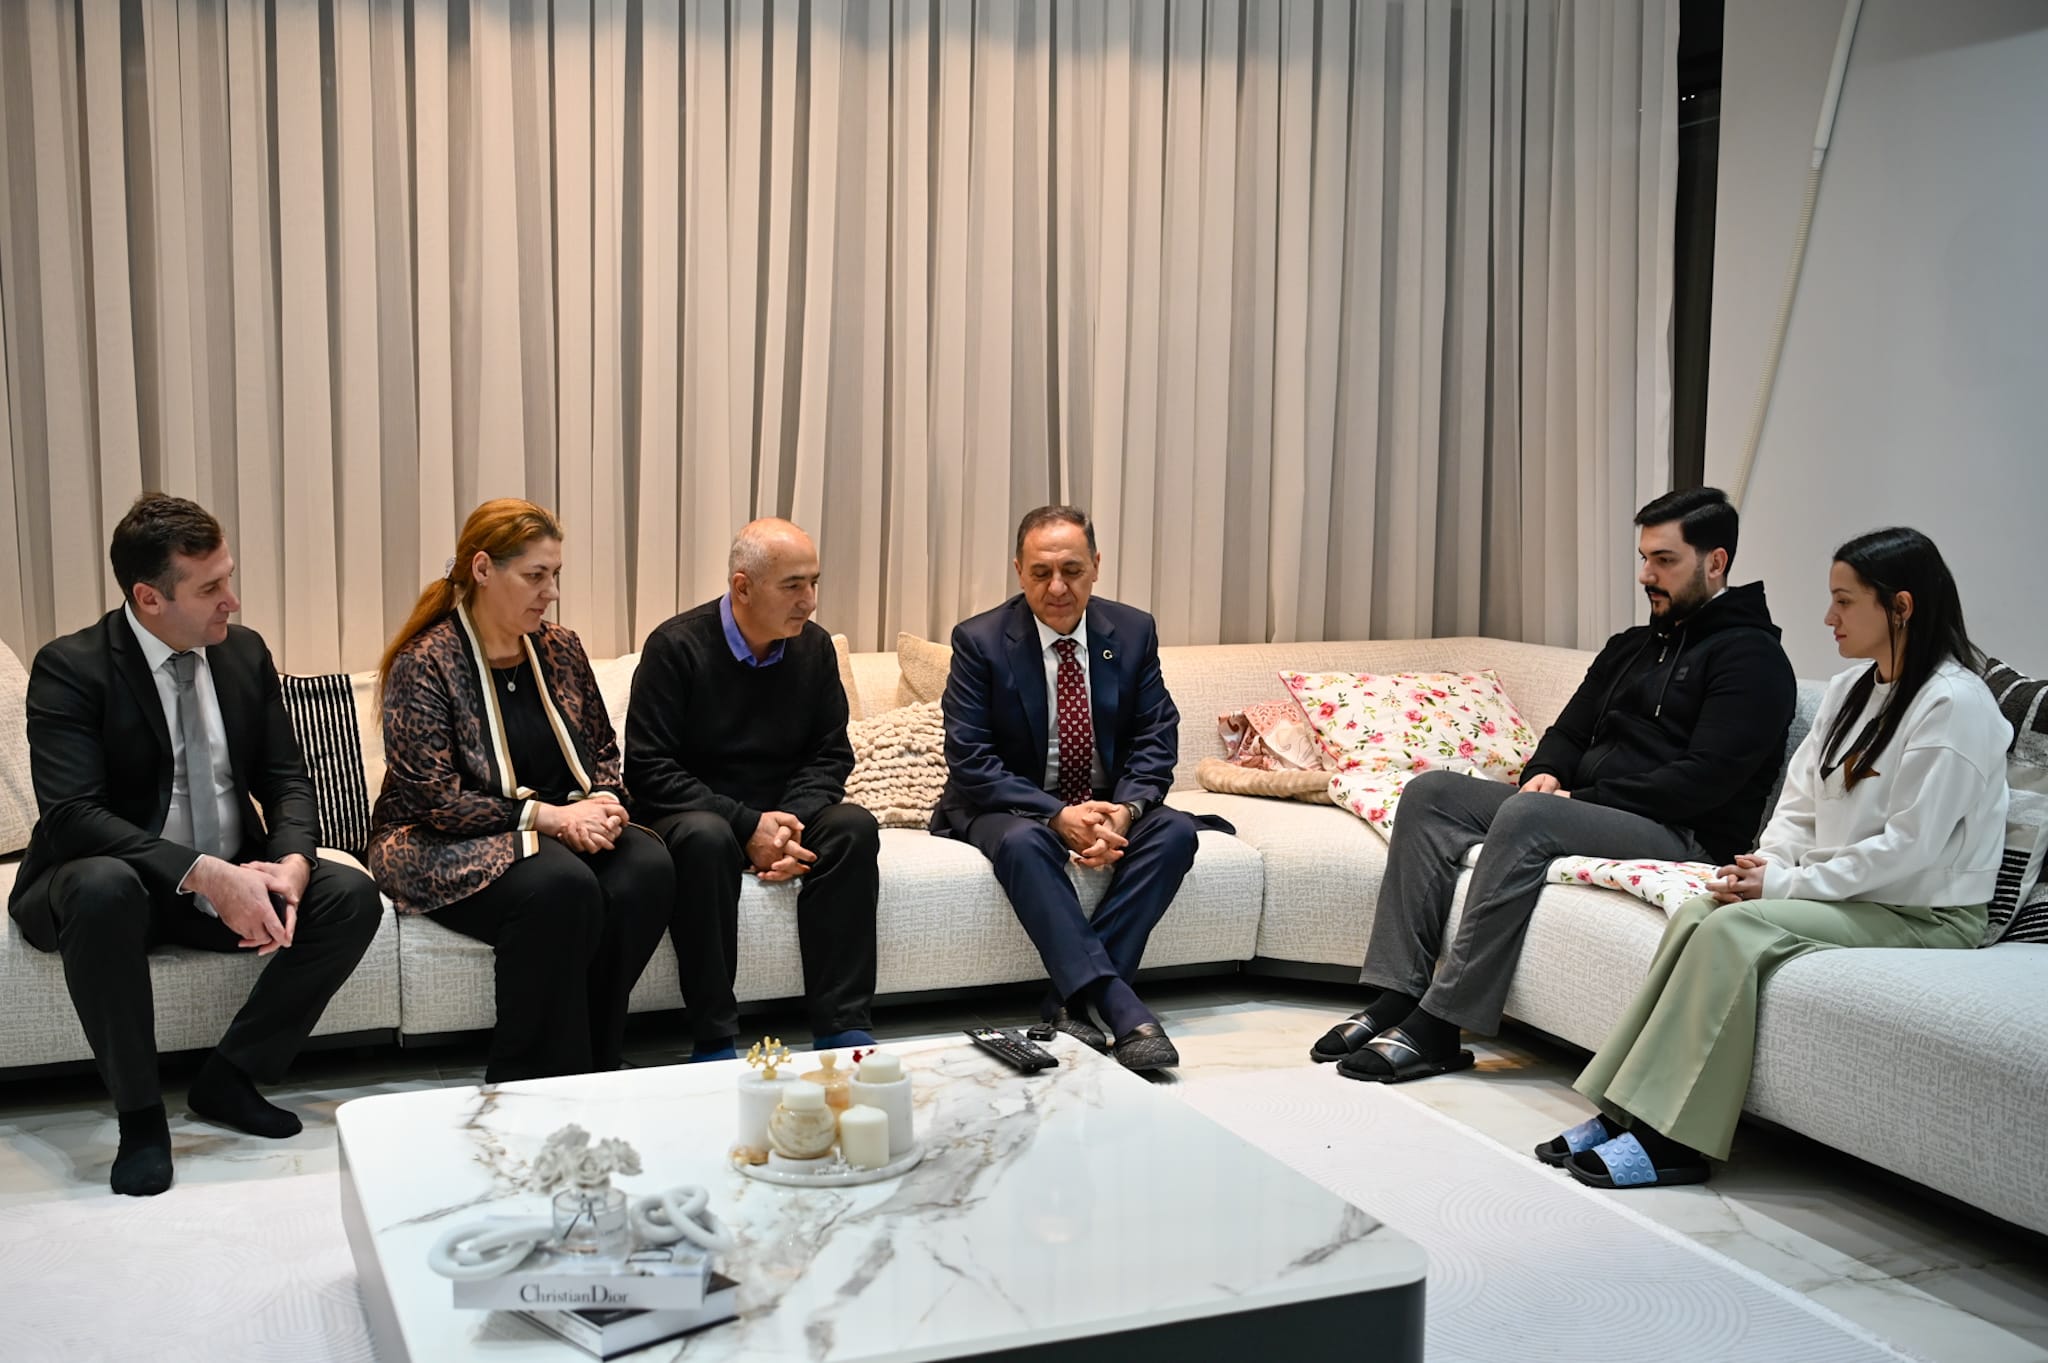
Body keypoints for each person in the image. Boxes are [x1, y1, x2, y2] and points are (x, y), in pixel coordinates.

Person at [1540, 527, 2010, 1187]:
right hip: (1853, 893)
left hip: (1926, 912)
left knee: (1731, 931)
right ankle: (1624, 1110)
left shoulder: (1955, 704)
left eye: (1844, 601)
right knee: (1699, 910)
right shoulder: (1850, 689)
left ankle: (1673, 1139)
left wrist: (1786, 884)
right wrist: (1762, 869)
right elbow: (1799, 805)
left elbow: (1913, 849)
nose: (1828, 617)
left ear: (1900, 606)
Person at [1312, 487, 1798, 1082]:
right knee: (1432, 794)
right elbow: (1568, 731)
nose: (1647, 575)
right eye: (1644, 558)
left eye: (1665, 560)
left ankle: (1442, 1023)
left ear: (1715, 562)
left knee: (1529, 816)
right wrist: (1546, 772)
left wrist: (1579, 801)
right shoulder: (1631, 646)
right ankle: (1399, 992)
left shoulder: (1752, 659)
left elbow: (1705, 780)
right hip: (1592, 810)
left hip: (1683, 832)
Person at [9, 494, 383, 1196]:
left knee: (352, 895)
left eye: (228, 577)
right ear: (149, 597)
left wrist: (293, 863)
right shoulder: (72, 667)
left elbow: (286, 778)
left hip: (231, 871)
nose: (231, 601)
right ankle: (141, 1119)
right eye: (210, 588)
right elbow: (72, 815)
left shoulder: (242, 652)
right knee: (101, 886)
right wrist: (206, 874)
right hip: (121, 887)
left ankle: (230, 1078)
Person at [368, 499, 670, 1082]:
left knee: (646, 867)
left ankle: (595, 1059)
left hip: (558, 827)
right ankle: (527, 1078)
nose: (550, 592)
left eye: (555, 575)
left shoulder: (561, 648)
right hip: (433, 839)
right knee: (559, 885)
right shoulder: (424, 662)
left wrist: (605, 802)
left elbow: (602, 749)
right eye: (535, 575)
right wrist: (551, 820)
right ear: (483, 569)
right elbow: (436, 800)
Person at [931, 505, 1213, 1072]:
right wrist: (1058, 816)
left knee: (1176, 832)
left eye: (1072, 571)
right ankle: (1122, 1007)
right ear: (1018, 571)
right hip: (1010, 805)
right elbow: (971, 759)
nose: (1057, 587)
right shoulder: (980, 641)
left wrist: (1125, 812)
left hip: (1108, 804)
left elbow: (1156, 736)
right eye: (1041, 573)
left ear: (1096, 566)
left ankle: (1070, 1001)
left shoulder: (1132, 631)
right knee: (1024, 843)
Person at [626, 519, 879, 1062]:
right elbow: (649, 768)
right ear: (743, 587)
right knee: (706, 837)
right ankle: (715, 1036)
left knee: (854, 827)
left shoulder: (814, 648)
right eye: (793, 585)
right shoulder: (675, 646)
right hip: (697, 813)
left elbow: (831, 755)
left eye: (813, 582)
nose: (809, 600)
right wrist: (747, 825)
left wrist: (785, 824)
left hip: (783, 813)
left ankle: (842, 1026)